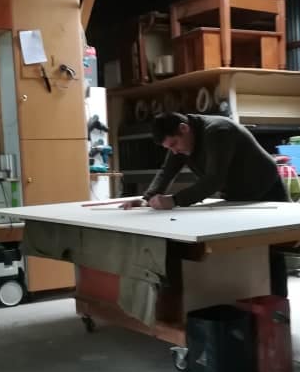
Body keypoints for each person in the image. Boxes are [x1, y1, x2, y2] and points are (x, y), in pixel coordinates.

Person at [122, 112, 288, 297]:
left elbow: (214, 180)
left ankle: (277, 302)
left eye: (174, 144)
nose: (174, 151)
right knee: (246, 251)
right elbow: (166, 172)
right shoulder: (182, 143)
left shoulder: (218, 131)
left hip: (266, 188)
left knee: (272, 251)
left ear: (184, 128)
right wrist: (147, 198)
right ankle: (249, 299)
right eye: (169, 148)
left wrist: (175, 200)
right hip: (238, 195)